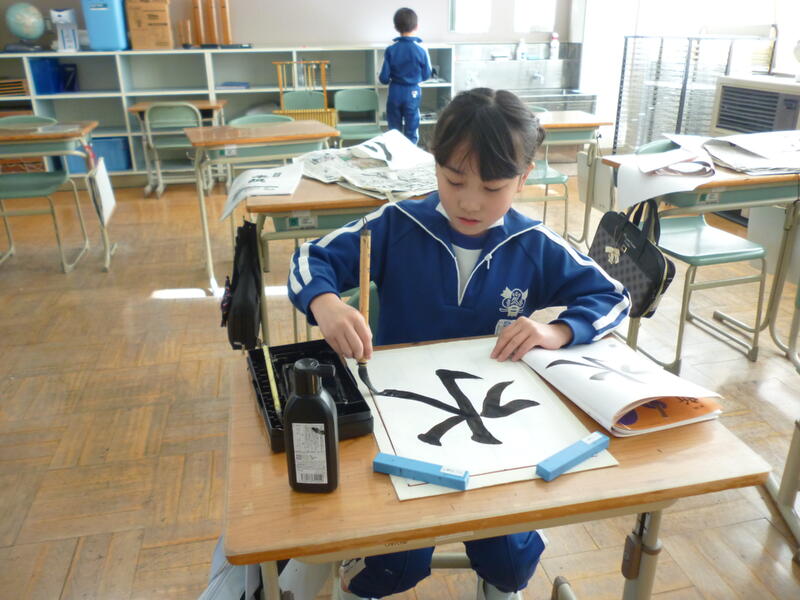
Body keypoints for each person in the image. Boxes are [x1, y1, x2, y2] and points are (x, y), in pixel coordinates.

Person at [287, 88, 630, 600]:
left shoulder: (533, 243)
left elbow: (614, 295)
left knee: (509, 557)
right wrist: (326, 303)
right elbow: (308, 258)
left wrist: (556, 331)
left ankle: (502, 580)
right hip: (397, 420)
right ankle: (367, 573)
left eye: (492, 187)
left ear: (524, 177)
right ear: (435, 165)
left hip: (496, 426)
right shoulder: (397, 224)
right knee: (394, 559)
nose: (470, 201)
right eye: (453, 180)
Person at [378, 7, 431, 145]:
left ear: (396, 27)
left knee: (393, 130)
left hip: (395, 92)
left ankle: (394, 154)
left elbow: (383, 79)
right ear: (417, 26)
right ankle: (410, 155)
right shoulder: (422, 49)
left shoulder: (390, 50)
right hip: (413, 92)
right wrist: (415, 78)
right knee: (412, 128)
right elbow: (427, 74)